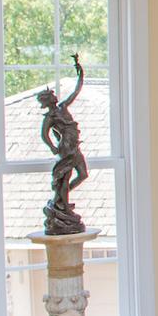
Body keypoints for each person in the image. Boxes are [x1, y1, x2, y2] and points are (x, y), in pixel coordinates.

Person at [39, 55, 89, 236]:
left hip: (75, 147)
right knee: (64, 179)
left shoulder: (63, 107)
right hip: (66, 150)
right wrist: (53, 147)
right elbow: (44, 135)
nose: (53, 97)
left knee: (83, 174)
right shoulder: (50, 117)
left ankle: (61, 201)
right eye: (49, 97)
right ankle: (61, 202)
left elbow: (76, 91)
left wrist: (80, 73)